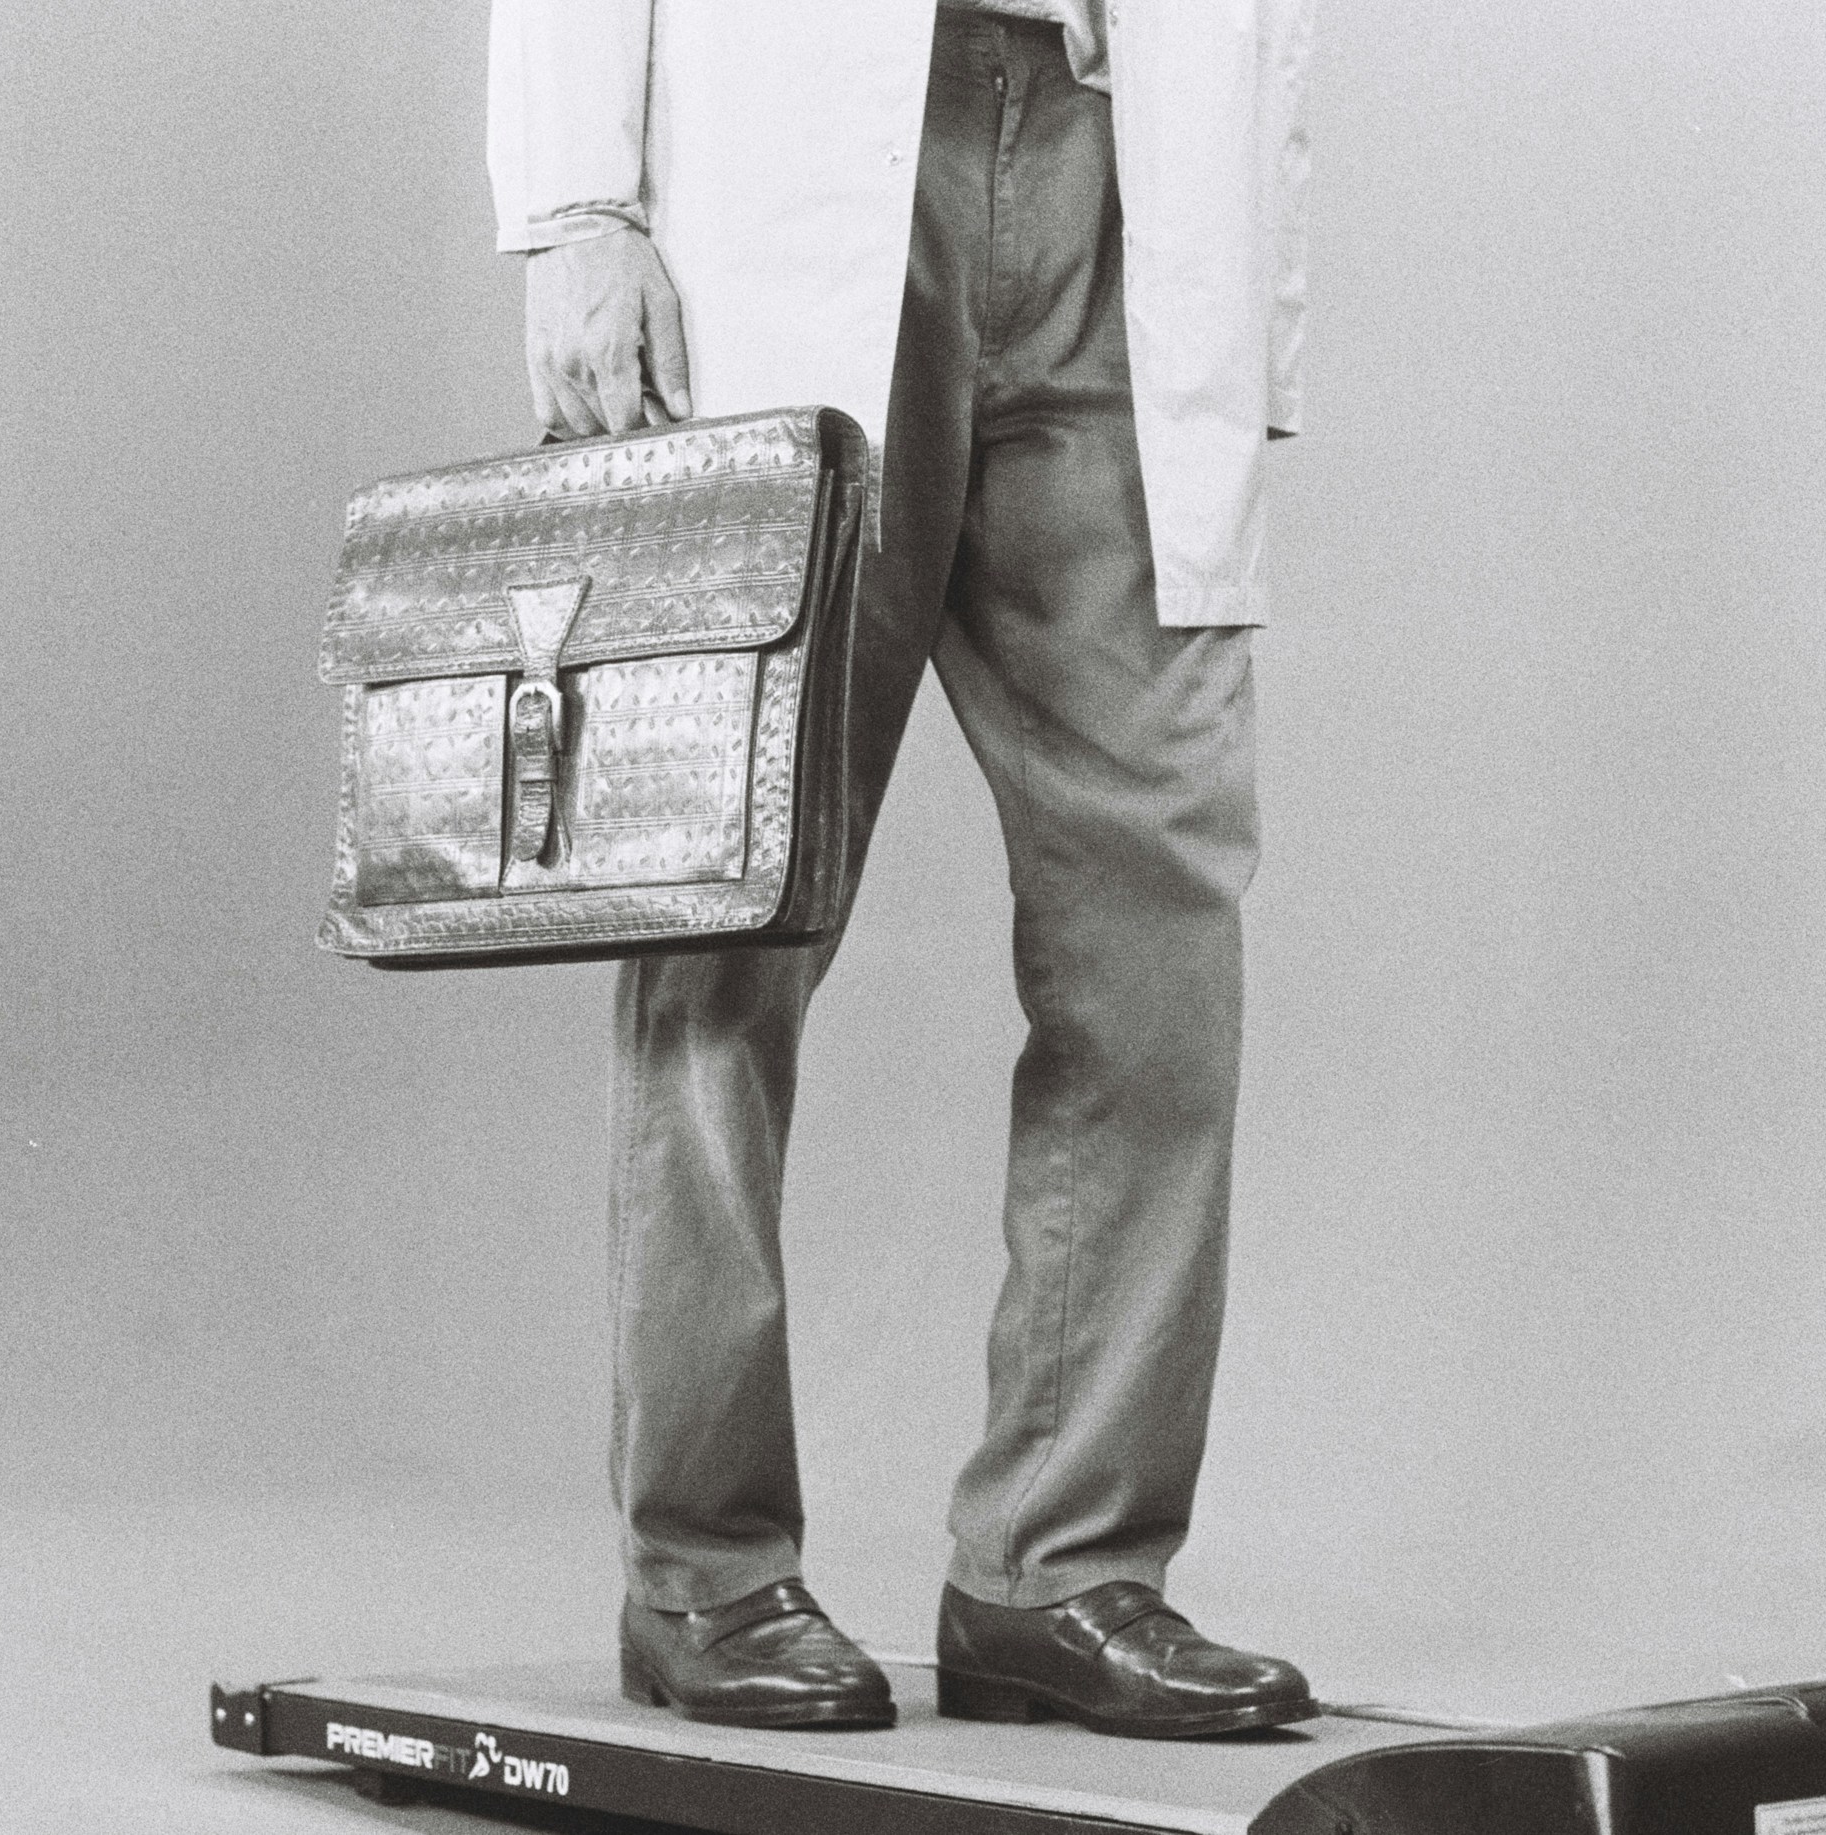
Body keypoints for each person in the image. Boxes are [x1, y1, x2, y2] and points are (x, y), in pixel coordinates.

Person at [489, 0, 1318, 1739]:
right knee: (725, 915)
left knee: (1159, 913)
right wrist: (578, 209)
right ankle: (701, 1570)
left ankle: (1064, 1569)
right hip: (792, 151)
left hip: (1120, 158)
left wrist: (1257, 305)